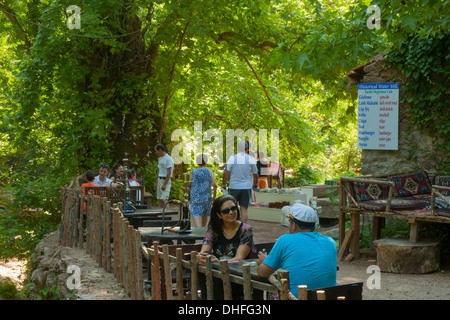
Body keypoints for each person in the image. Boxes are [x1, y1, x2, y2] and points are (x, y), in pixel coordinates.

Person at [256, 203, 337, 299]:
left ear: (294, 225)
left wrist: (264, 261)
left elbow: (262, 272)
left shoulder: (284, 240)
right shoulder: (330, 242)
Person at [196, 195, 256, 299]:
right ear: (219, 215)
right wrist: (200, 257)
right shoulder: (214, 230)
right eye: (226, 211)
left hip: (239, 277)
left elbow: (239, 258)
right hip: (219, 275)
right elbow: (204, 253)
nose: (231, 212)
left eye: (233, 208)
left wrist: (218, 263)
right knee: (207, 259)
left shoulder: (246, 230)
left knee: (213, 275)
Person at [221, 140, 258, 222]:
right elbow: (255, 173)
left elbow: (226, 172)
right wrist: (255, 184)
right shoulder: (251, 159)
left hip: (234, 186)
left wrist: (223, 184)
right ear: (247, 148)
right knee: (244, 209)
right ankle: (243, 228)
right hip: (246, 187)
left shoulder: (232, 158)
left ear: (237, 148)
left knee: (232, 208)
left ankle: (233, 227)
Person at [188, 154, 217, 227]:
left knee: (195, 212)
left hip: (195, 196)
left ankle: (198, 228)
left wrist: (187, 190)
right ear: (206, 161)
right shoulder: (209, 171)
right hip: (206, 196)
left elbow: (188, 184)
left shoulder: (193, 171)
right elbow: (214, 184)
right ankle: (203, 229)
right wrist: (214, 195)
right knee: (205, 212)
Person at [153, 144, 174, 208]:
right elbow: (159, 171)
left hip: (165, 180)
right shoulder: (160, 159)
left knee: (164, 199)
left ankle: (167, 214)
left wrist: (165, 184)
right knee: (160, 199)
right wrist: (156, 183)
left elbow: (169, 172)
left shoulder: (168, 159)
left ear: (160, 150)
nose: (155, 153)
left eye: (156, 151)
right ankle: (162, 215)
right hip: (160, 179)